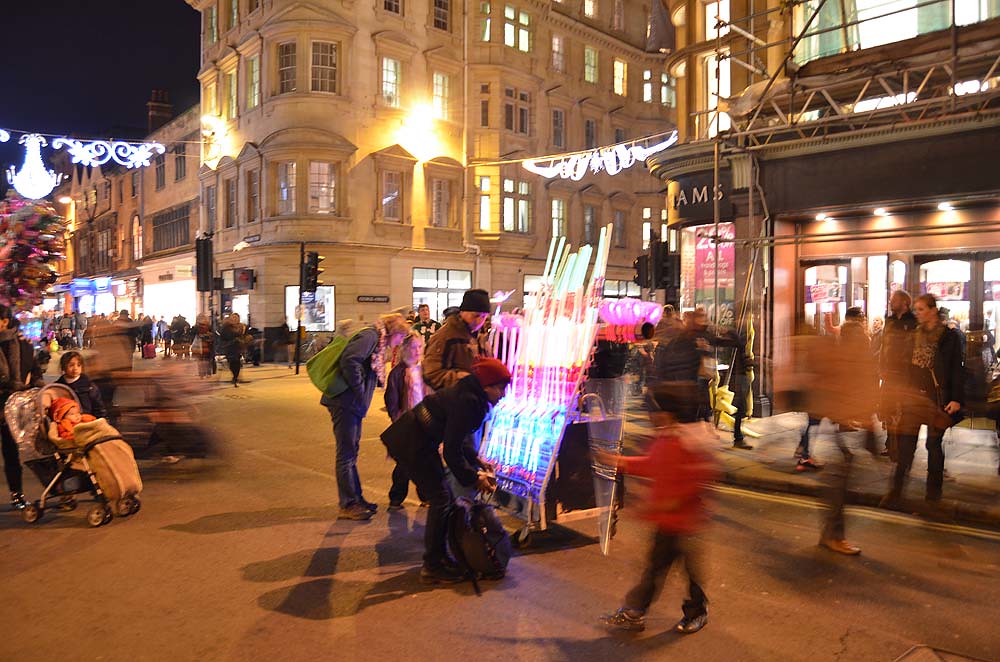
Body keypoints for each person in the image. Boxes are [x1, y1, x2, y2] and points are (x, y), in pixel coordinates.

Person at [599, 382, 720, 634]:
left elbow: (702, 474)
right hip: (667, 522)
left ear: (666, 412)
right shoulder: (667, 438)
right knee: (657, 569)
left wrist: (671, 502)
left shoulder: (688, 441)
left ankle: (693, 612)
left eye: (653, 411)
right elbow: (652, 465)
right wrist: (618, 461)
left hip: (684, 525)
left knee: (685, 574)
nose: (650, 416)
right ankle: (637, 611)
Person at [381, 358, 510, 584]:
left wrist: (477, 461)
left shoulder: (472, 397)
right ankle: (432, 565)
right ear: (485, 386)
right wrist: (474, 478)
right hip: (412, 441)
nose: (502, 394)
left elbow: (458, 439)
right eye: (499, 388)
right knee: (441, 499)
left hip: (418, 439)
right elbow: (451, 451)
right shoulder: (469, 401)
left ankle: (439, 558)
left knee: (444, 498)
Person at [323, 313, 410, 521]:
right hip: (344, 403)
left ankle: (356, 498)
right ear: (394, 332)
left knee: (351, 452)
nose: (399, 343)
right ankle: (348, 503)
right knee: (346, 454)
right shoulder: (371, 336)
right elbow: (350, 360)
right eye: (400, 338)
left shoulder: (376, 339)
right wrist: (360, 390)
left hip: (351, 404)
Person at [883, 293, 964, 505]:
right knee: (906, 445)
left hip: (937, 398)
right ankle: (896, 492)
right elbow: (908, 368)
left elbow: (956, 369)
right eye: (916, 309)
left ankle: (932, 498)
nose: (917, 313)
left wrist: (955, 398)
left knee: (934, 446)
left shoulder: (948, 336)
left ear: (933, 310)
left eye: (921, 309)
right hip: (914, 398)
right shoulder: (914, 335)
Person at [1, 307, 45, 509]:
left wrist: (37, 386)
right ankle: (16, 493)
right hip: (2, 402)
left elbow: (35, 371)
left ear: (5, 321)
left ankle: (20, 493)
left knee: (23, 450)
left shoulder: (23, 344)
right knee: (10, 452)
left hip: (19, 405)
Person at [384, 332, 430, 510]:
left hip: (425, 421)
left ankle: (426, 496)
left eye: (419, 346)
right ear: (404, 349)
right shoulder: (398, 372)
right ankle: (396, 497)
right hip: (406, 422)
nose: (417, 351)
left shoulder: (424, 369)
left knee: (425, 461)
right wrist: (397, 420)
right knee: (405, 463)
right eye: (413, 347)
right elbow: (392, 400)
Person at [423, 289, 493, 392]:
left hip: (472, 398)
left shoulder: (479, 336)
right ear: (463, 312)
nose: (479, 321)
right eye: (476, 315)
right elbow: (431, 374)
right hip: (451, 401)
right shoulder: (445, 336)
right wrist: (461, 378)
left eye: (483, 317)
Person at [879, 290, 918, 459]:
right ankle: (890, 444)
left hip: (905, 373)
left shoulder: (913, 322)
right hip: (889, 372)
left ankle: (900, 447)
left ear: (904, 303)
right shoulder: (890, 321)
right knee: (888, 409)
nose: (890, 302)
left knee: (902, 411)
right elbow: (883, 345)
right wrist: (881, 366)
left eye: (894, 300)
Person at [54, 351, 107, 419]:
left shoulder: (89, 386)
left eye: (78, 365)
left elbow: (99, 408)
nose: (75, 368)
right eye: (71, 365)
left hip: (87, 421)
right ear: (63, 367)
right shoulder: (58, 387)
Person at [219, 314, 247, 387]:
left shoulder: (241, 326)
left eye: (236, 318)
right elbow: (223, 336)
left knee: (237, 362)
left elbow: (242, 335)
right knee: (231, 363)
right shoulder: (226, 327)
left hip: (237, 347)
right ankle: (235, 376)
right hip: (229, 347)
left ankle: (235, 377)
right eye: (233, 318)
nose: (234, 319)